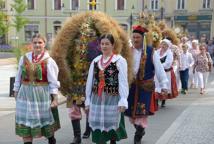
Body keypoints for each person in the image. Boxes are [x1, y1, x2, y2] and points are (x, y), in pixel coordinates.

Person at [124, 25, 168, 144]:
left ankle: (138, 136)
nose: (135, 39)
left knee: (142, 113)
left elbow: (159, 69)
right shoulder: (128, 51)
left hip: (145, 87)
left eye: (137, 37)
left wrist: (164, 85)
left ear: (142, 38)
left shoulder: (150, 51)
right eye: (133, 37)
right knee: (131, 114)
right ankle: (140, 130)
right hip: (132, 86)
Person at [13, 33, 60, 144]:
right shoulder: (24, 58)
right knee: (26, 123)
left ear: (44, 44)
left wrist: (55, 98)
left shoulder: (49, 61)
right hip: (25, 95)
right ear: (31, 44)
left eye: (40, 42)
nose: (37, 45)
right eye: (35, 42)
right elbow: (18, 76)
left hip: (42, 95)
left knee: (45, 123)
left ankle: (51, 140)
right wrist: (15, 90)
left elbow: (53, 82)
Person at [85, 34, 129, 144]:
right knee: (98, 126)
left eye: (107, 44)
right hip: (97, 98)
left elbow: (123, 81)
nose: (104, 46)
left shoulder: (119, 60)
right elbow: (90, 81)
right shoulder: (95, 61)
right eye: (102, 44)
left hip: (112, 98)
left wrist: (123, 99)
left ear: (112, 45)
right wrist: (88, 99)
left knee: (112, 125)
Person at [155, 39, 178, 107]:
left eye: (165, 44)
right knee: (156, 86)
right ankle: (156, 101)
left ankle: (163, 101)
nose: (163, 46)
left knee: (165, 86)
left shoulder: (169, 53)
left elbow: (168, 63)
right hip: (157, 72)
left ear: (168, 46)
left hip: (166, 72)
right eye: (162, 44)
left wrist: (159, 66)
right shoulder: (157, 52)